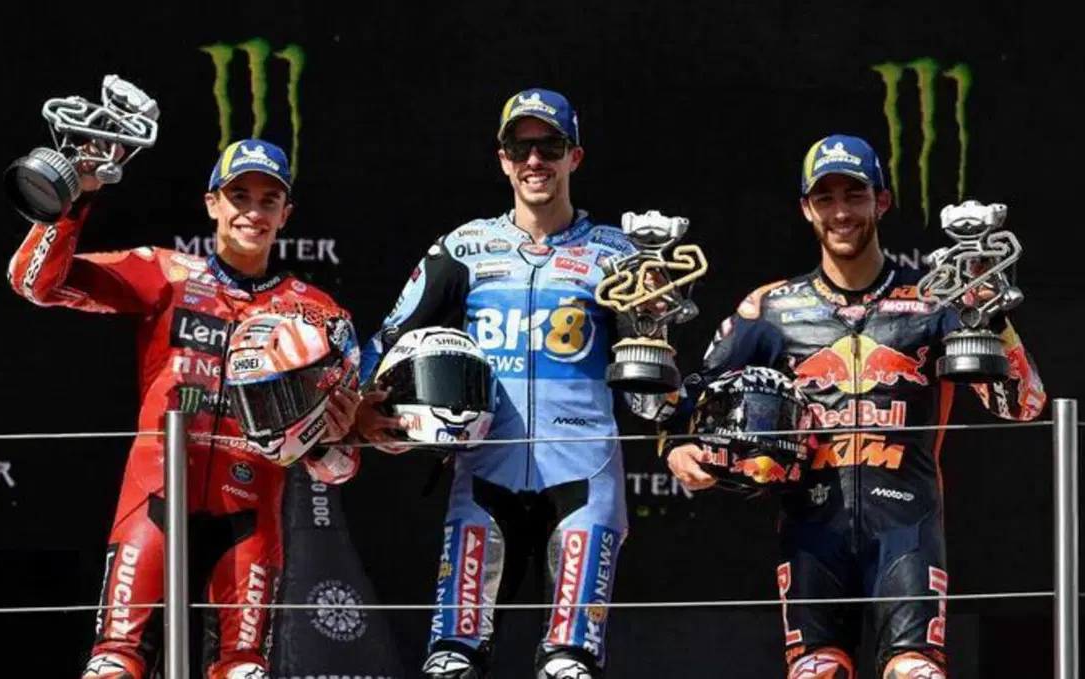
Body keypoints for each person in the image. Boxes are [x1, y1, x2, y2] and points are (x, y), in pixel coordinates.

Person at [651, 134, 1047, 678]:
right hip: (811, 532)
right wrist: (676, 446)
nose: (841, 212)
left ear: (881, 201)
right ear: (806, 209)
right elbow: (692, 399)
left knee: (916, 672)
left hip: (908, 529)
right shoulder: (769, 308)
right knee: (818, 671)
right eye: (826, 197)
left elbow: (1023, 404)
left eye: (854, 195)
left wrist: (991, 318)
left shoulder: (935, 302)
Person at [7, 139, 366, 679]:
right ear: (211, 203)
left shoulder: (318, 314)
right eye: (239, 196)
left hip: (248, 511)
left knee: (244, 670)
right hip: (154, 496)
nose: (252, 211)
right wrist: (75, 200)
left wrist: (330, 442)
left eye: (268, 200)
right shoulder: (166, 273)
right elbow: (35, 283)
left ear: (285, 215)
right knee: (113, 664)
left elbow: (340, 467)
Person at [355, 88, 652, 679]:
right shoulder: (463, 247)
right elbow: (388, 337)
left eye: (550, 146)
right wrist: (359, 406)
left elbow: (649, 389)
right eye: (521, 147)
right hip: (484, 475)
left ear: (575, 156)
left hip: (584, 478)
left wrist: (672, 398)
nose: (535, 160)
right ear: (503, 159)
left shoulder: (617, 254)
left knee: (570, 665)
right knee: (451, 660)